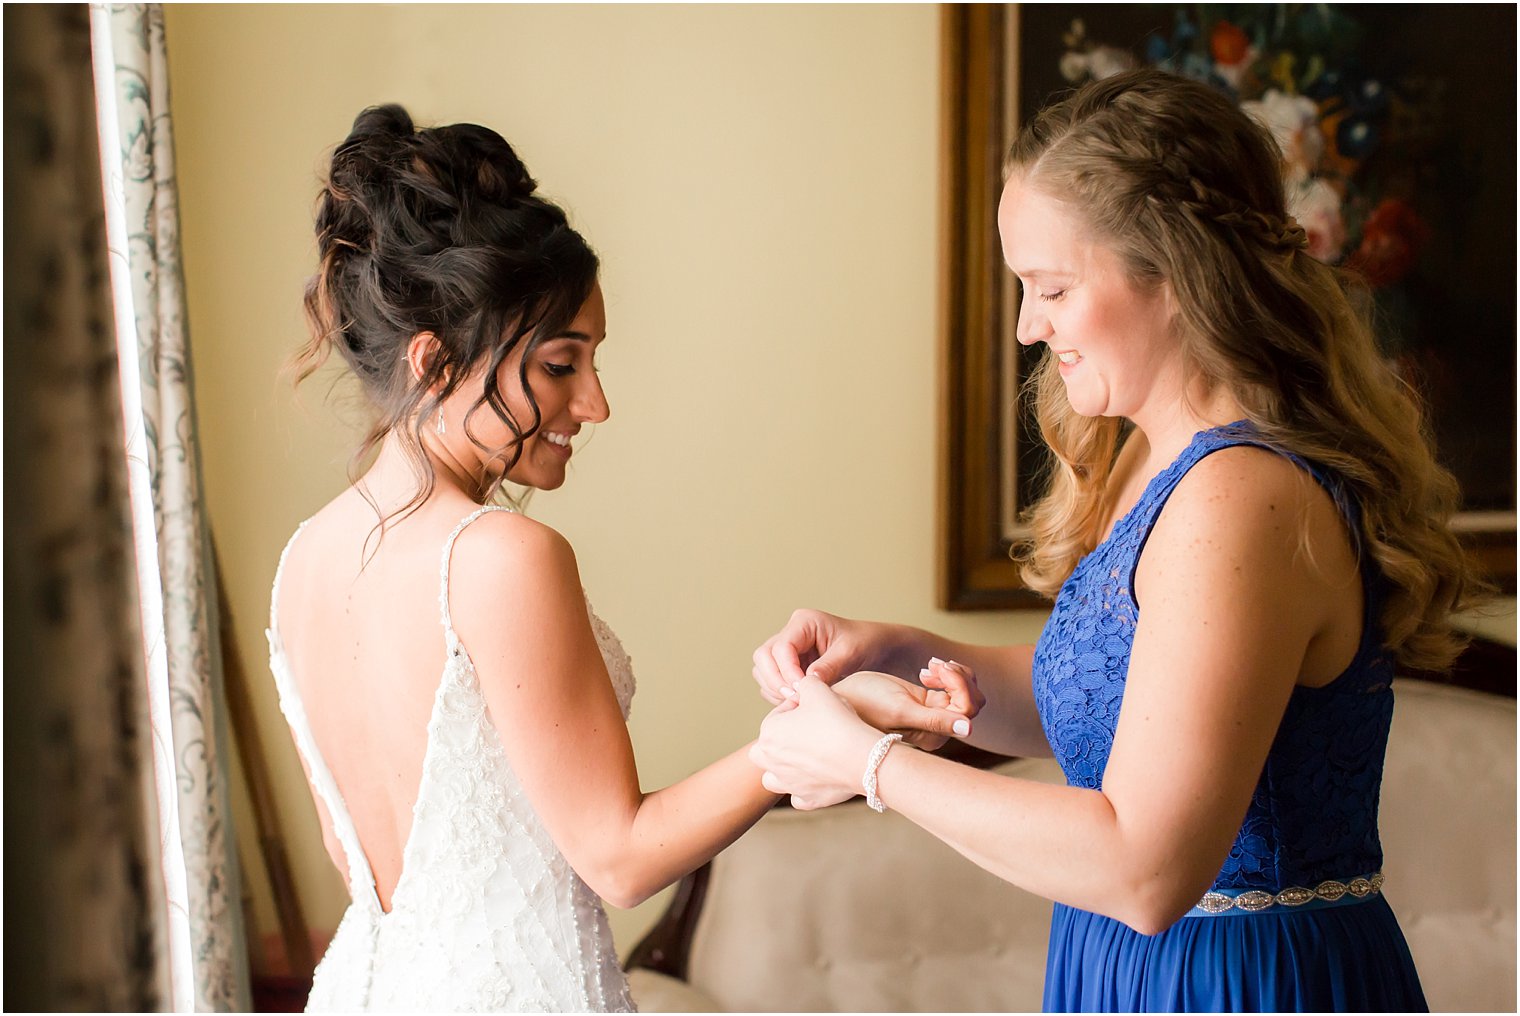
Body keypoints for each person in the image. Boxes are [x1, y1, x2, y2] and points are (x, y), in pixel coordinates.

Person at [750, 68, 1480, 1013]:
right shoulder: (1150, 460)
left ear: (1175, 276)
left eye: (1051, 286)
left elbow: (1145, 869)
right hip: (1125, 968)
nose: (1024, 326)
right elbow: (1117, 700)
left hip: (1239, 980)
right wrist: (905, 649)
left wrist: (869, 766)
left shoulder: (1241, 499)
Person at [267, 105, 976, 1012]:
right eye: (563, 364)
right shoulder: (499, 556)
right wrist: (818, 731)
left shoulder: (304, 562)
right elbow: (619, 857)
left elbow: (353, 857)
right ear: (436, 362)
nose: (593, 404)